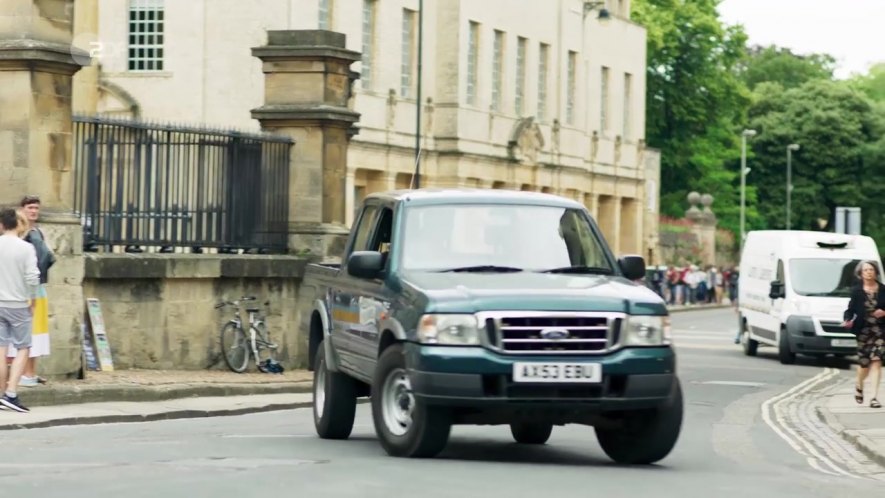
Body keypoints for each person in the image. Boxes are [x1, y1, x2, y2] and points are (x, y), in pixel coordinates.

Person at [7, 196, 54, 386]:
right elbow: (43, 260)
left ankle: (29, 372)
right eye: (30, 207)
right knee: (26, 333)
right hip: (26, 290)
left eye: (36, 208)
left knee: (34, 332)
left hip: (35, 288)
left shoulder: (36, 232)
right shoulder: (26, 236)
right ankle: (25, 373)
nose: (34, 211)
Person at [0, 207, 41, 412]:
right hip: (17, 304)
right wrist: (32, 299)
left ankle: (0, 393)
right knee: (23, 347)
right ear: (18, 224)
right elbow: (33, 278)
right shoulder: (25, 248)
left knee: (0, 348)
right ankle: (11, 393)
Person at [842, 261, 885, 409]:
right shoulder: (856, 291)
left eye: (871, 269)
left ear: (876, 272)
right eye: (866, 270)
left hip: (880, 331)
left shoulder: (883, 289)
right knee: (864, 364)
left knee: (877, 360)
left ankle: (874, 397)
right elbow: (850, 310)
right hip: (863, 332)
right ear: (861, 274)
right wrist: (847, 320)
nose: (869, 272)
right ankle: (859, 384)